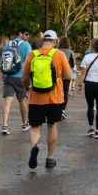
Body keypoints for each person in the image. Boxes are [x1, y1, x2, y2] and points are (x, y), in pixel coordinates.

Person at [22, 30, 71, 169]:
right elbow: (68, 76)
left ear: (43, 41)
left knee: (35, 127)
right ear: (55, 41)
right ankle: (50, 158)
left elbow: (25, 77)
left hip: (36, 97)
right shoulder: (59, 54)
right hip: (55, 98)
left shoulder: (32, 54)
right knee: (52, 125)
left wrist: (27, 89)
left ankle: (34, 146)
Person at [1, 27, 32, 136]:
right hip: (20, 77)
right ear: (20, 34)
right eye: (26, 34)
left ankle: (4, 125)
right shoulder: (26, 45)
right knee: (22, 100)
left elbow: (3, 60)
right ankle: (24, 123)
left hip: (8, 75)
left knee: (7, 101)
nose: (28, 36)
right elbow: (29, 62)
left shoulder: (8, 44)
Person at [58, 37, 76, 119]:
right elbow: (73, 64)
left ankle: (57, 108)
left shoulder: (56, 51)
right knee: (65, 91)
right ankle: (62, 110)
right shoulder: (70, 52)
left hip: (57, 74)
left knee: (57, 91)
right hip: (66, 74)